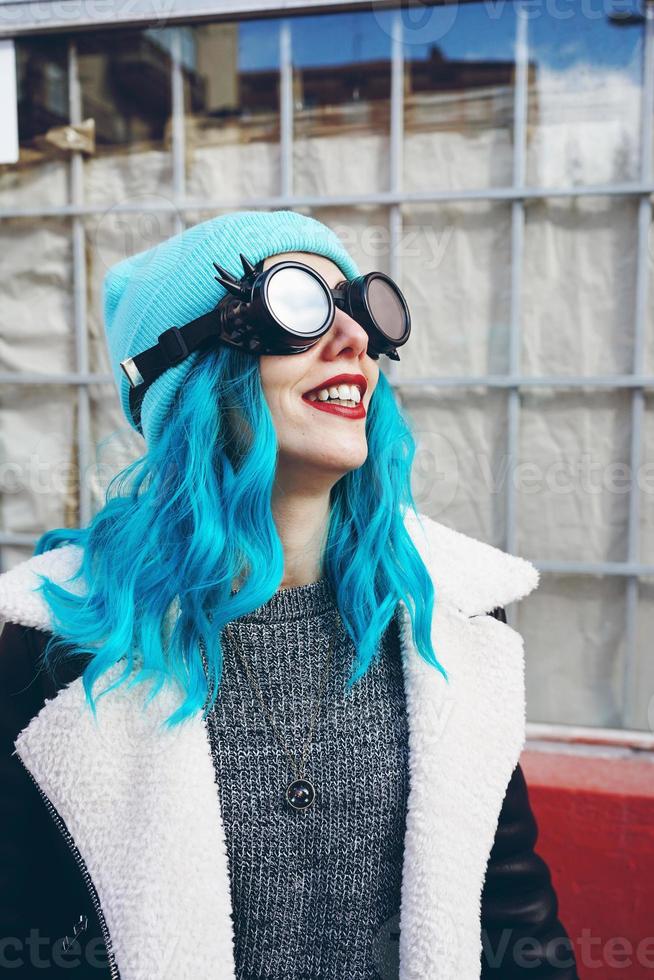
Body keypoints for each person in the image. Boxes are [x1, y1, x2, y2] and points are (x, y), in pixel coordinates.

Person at [0, 210, 579, 979]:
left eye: (359, 310)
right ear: (193, 377)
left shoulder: (447, 612)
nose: (355, 341)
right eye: (301, 307)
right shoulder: (57, 645)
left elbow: (512, 916)